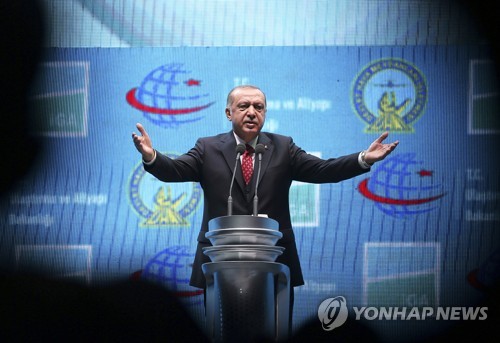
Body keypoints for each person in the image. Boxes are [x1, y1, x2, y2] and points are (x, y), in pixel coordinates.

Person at [132, 84, 399, 330]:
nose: (251, 112)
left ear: (265, 113)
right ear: (228, 112)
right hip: (221, 259)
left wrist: (364, 158)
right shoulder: (208, 148)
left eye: (258, 107)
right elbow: (176, 170)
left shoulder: (283, 147)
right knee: (224, 330)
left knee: (274, 330)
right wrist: (151, 157)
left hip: (273, 257)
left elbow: (323, 170)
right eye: (244, 106)